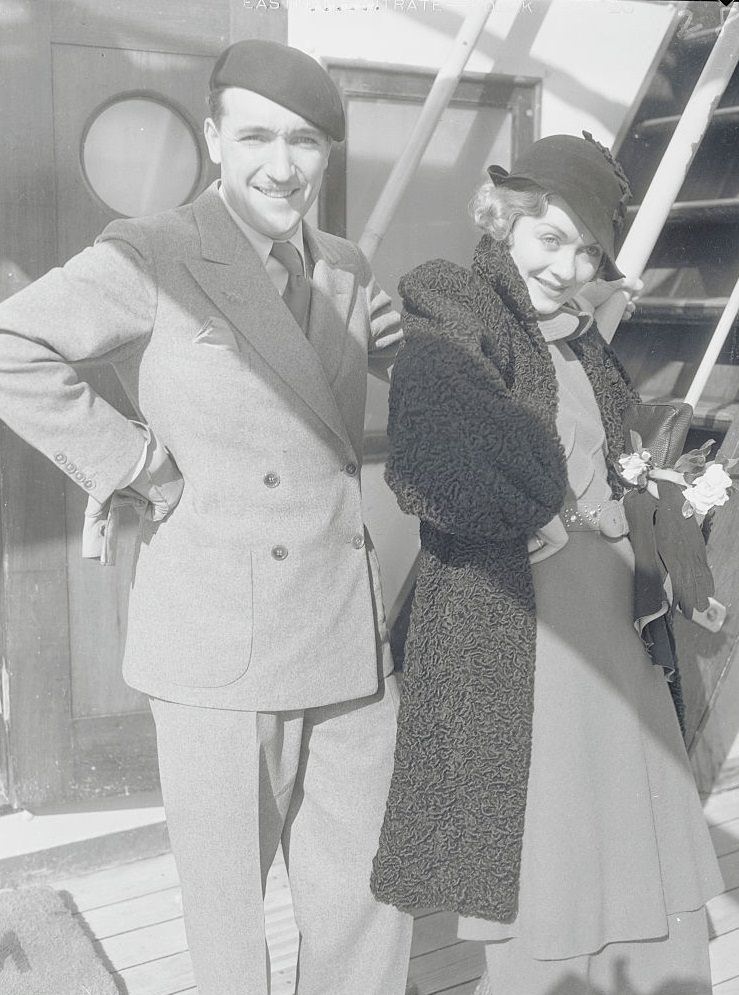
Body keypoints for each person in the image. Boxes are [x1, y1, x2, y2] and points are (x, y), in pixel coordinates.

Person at [0, 40, 413, 995]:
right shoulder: (154, 253)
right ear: (216, 138)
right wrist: (137, 462)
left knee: (369, 900)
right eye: (259, 136)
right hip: (221, 642)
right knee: (229, 919)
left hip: (345, 636)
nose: (284, 165)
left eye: (306, 142)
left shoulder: (345, 269)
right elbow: (12, 343)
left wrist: (396, 337)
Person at [370, 133, 723, 994]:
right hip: (522, 624)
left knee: (631, 814)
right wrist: (526, 510)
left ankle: (647, 978)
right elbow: (430, 450)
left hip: (609, 615)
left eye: (585, 250)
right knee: (551, 832)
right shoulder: (460, 307)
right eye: (549, 239)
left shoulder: (580, 340)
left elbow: (615, 451)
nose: (567, 266)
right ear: (503, 221)